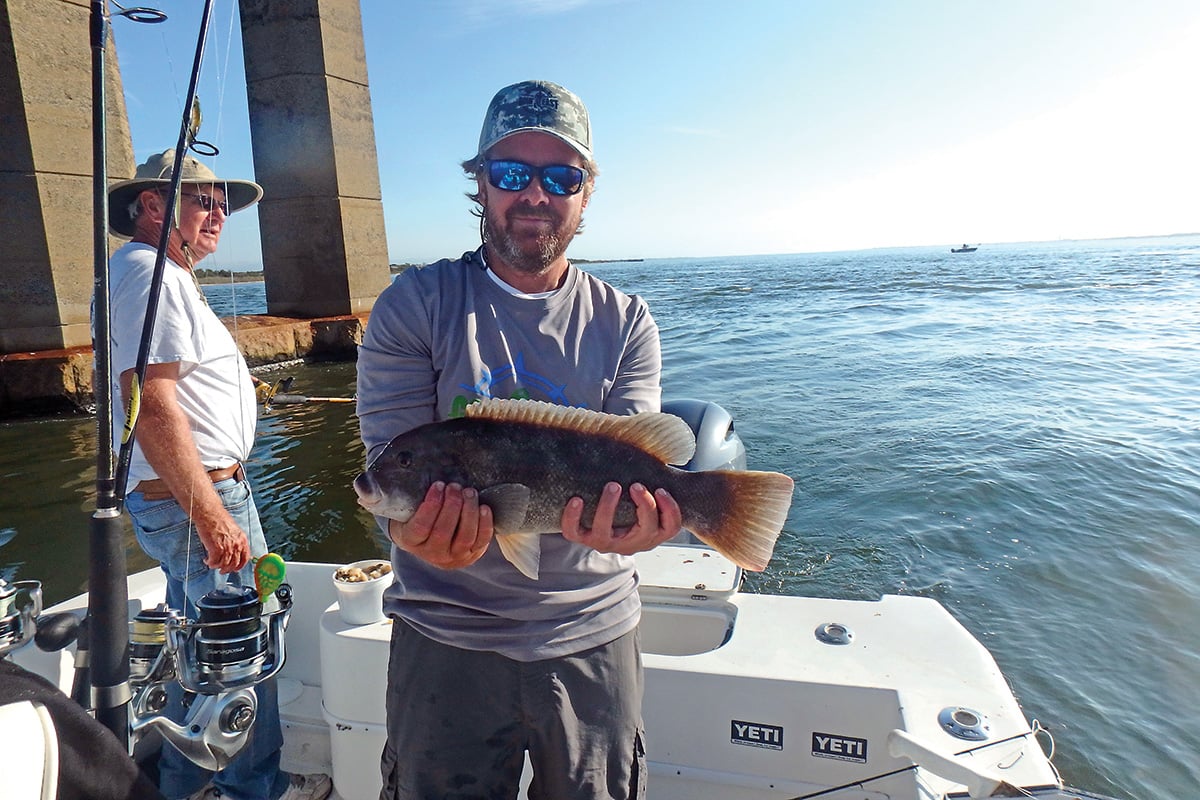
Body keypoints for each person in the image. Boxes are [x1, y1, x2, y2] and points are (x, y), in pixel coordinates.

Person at [357, 80, 683, 799]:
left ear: (585, 194)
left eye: (561, 177)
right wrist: (410, 534)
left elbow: (641, 456)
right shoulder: (415, 305)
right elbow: (389, 473)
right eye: (511, 173)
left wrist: (639, 529)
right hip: (445, 636)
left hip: (593, 630)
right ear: (480, 183)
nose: (535, 194)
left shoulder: (627, 321)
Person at [105, 150, 332, 800]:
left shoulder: (149, 274)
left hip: (186, 494)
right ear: (153, 206)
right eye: (203, 200)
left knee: (203, 657)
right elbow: (150, 401)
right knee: (243, 656)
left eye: (223, 205)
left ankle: (186, 785)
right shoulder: (151, 275)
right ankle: (251, 789)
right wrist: (210, 513)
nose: (219, 214)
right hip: (196, 497)